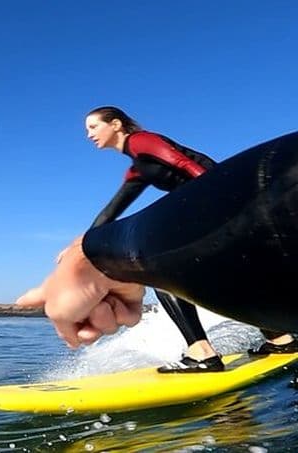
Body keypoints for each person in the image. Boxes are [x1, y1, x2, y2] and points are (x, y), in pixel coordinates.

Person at [16, 129, 298, 348]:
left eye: (93, 125)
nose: (89, 133)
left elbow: (185, 164)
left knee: (166, 279)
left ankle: (201, 352)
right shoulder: (137, 169)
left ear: (116, 125)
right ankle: (279, 338)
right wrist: (82, 248)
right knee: (224, 273)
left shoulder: (144, 141)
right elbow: (111, 211)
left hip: (218, 208)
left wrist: (220, 203)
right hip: (205, 218)